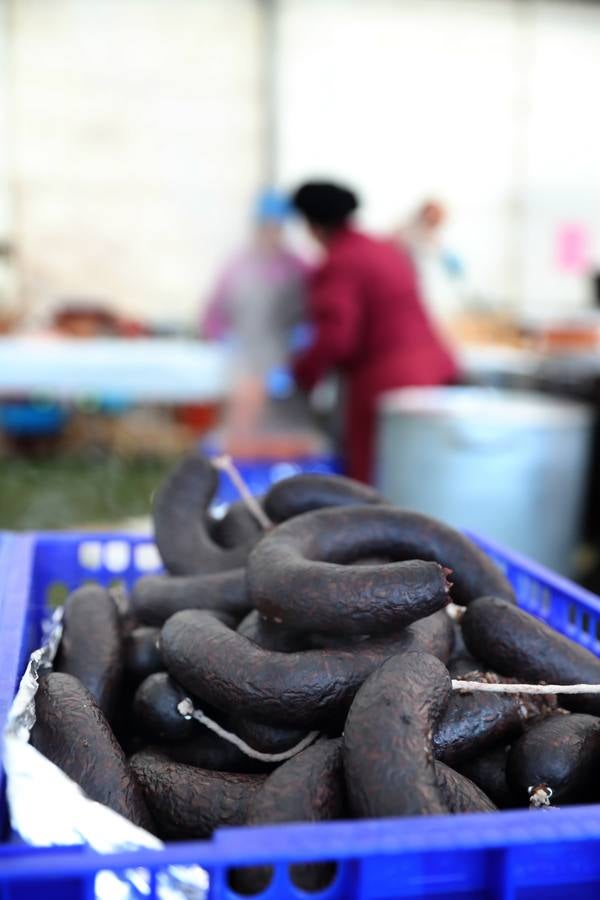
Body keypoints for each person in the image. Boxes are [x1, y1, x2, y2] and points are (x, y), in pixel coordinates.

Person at [290, 181, 459, 483]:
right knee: (423, 477)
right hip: (435, 369)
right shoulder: (381, 248)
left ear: (312, 225)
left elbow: (337, 336)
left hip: (388, 382)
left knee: (373, 479)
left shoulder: (340, 261)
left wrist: (303, 373)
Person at [200, 189, 322, 456]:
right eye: (265, 227)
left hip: (288, 363)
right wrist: (226, 342)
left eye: (276, 228)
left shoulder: (300, 267)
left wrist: (303, 342)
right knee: (243, 423)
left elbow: (317, 313)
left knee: (289, 427)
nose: (270, 233)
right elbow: (213, 314)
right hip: (246, 361)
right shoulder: (236, 265)